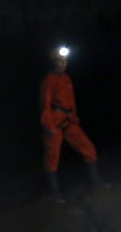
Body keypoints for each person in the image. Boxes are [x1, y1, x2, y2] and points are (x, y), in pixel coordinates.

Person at [39, 45, 103, 203]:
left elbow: (71, 101)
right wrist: (49, 125)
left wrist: (74, 118)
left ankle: (96, 183)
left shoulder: (66, 78)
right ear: (55, 62)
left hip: (68, 120)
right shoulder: (49, 80)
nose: (64, 63)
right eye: (61, 61)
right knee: (52, 157)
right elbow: (44, 103)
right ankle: (54, 193)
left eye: (65, 60)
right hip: (54, 121)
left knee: (88, 148)